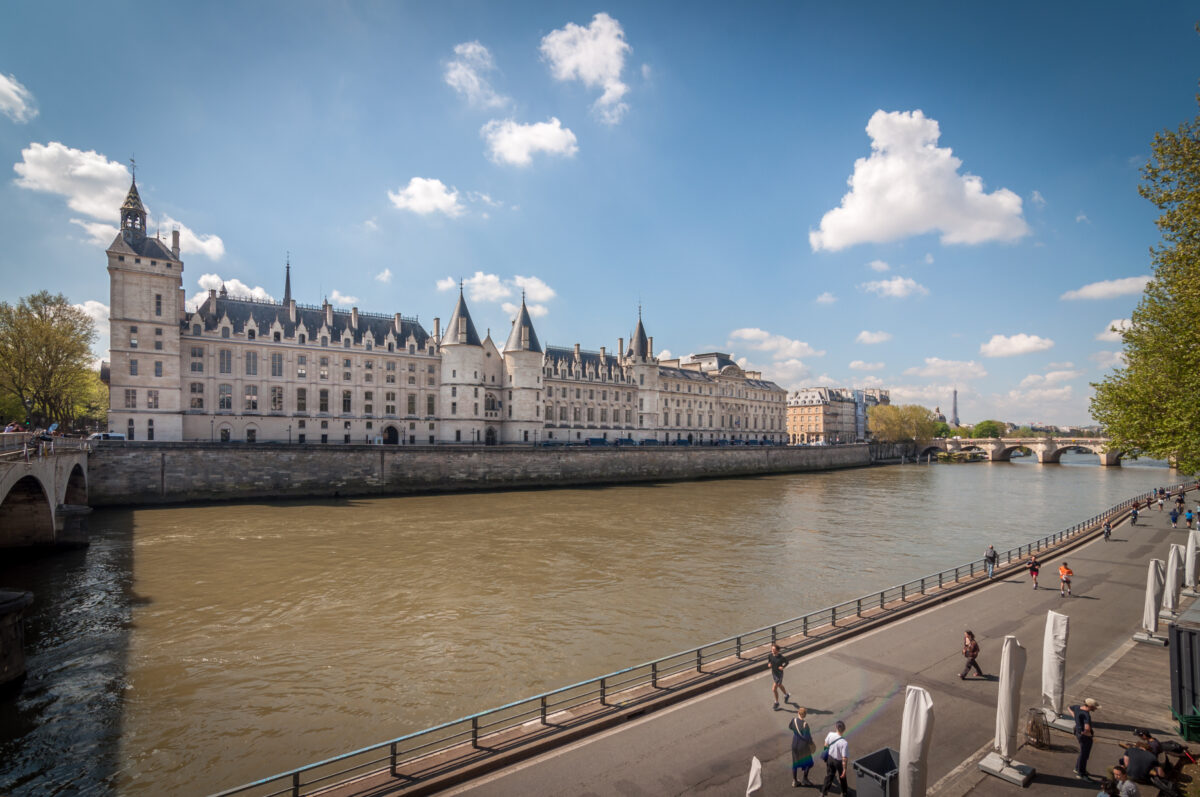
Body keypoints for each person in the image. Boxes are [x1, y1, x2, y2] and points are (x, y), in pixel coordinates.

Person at [1069, 697, 1099, 779]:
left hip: (1077, 732)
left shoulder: (1077, 707)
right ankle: (1081, 773)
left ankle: (1077, 768)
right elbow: (1087, 728)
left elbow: (1069, 708)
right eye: (1094, 707)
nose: (1095, 708)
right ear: (1090, 706)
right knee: (1084, 754)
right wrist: (1089, 735)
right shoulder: (1086, 715)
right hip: (1084, 736)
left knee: (1082, 752)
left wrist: (1076, 718)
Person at [820, 720, 848, 797]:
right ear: (844, 730)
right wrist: (845, 769)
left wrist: (826, 754)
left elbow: (825, 744)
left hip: (830, 758)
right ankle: (844, 792)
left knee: (829, 775)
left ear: (836, 727)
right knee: (842, 776)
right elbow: (844, 758)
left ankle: (823, 792)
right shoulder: (844, 742)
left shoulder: (830, 734)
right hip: (838, 762)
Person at [789, 707, 815, 787]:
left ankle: (795, 781)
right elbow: (808, 738)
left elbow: (790, 727)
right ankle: (805, 779)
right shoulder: (805, 725)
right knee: (809, 763)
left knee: (795, 763)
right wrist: (812, 744)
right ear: (805, 715)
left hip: (794, 744)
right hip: (803, 746)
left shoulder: (794, 720)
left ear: (798, 713)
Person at [767, 643, 790, 709]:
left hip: (779, 674)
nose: (772, 650)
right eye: (772, 649)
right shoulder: (770, 655)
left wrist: (783, 667)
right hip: (774, 673)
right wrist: (769, 664)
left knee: (774, 689)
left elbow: (787, 662)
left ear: (777, 650)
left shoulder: (781, 657)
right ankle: (786, 695)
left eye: (773, 649)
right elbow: (769, 661)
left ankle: (776, 702)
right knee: (779, 685)